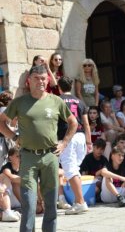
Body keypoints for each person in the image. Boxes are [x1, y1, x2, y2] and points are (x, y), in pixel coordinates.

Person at [0, 65, 78, 232]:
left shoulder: (56, 101)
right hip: (28, 157)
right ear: (29, 80)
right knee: (28, 203)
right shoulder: (20, 102)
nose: (40, 81)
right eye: (36, 78)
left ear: (48, 80)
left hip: (50, 156)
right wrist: (14, 137)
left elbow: (73, 122)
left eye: (43, 78)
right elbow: (1, 122)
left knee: (51, 204)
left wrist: (64, 143)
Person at [57, 76, 92, 215]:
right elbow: (86, 123)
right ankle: (78, 201)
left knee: (70, 170)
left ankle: (80, 202)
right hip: (81, 136)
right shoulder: (79, 101)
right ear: (71, 87)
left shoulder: (57, 100)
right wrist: (89, 141)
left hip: (67, 136)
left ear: (59, 87)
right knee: (74, 169)